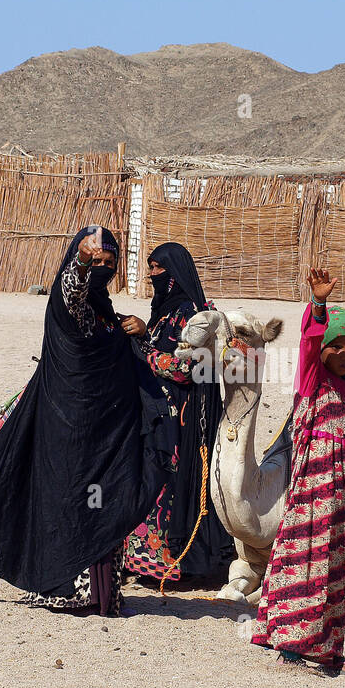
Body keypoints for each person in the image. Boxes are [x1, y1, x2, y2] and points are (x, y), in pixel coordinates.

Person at [0, 226, 159, 616]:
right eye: (93, 262)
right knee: (70, 499)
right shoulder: (72, 306)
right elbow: (73, 291)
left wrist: (141, 334)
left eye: (108, 264)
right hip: (68, 426)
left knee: (105, 501)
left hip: (108, 433)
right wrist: (82, 263)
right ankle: (62, 585)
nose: (100, 269)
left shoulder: (106, 314)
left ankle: (102, 592)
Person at [252, 268, 345, 677]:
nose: (342, 354)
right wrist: (318, 304)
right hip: (312, 494)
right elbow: (306, 343)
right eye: (333, 345)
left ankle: (327, 649)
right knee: (304, 562)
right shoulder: (312, 383)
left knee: (338, 568)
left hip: (344, 498)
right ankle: (290, 643)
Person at [117, 242, 234, 584]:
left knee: (164, 482)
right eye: (150, 268)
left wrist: (144, 343)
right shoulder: (166, 311)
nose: (152, 274)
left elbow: (186, 367)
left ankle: (171, 559)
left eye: (157, 269)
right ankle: (140, 559)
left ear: (174, 271)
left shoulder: (195, 315)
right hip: (157, 409)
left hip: (181, 418)